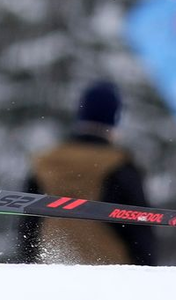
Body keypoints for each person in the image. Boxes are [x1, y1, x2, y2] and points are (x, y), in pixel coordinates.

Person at [15, 81, 156, 266]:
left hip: (51, 265)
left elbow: (28, 225)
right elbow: (139, 229)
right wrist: (146, 269)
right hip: (109, 268)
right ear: (114, 119)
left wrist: (28, 264)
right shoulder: (118, 165)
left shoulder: (45, 162)